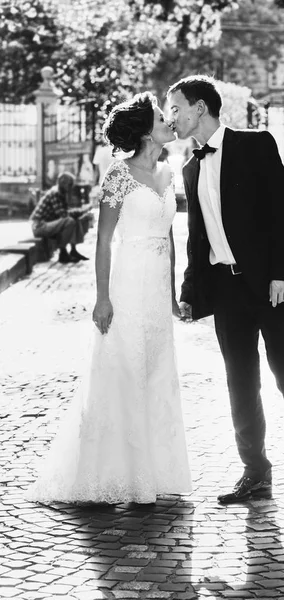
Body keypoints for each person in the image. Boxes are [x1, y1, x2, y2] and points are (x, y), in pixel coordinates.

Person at [167, 75, 284, 507]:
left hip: (271, 286)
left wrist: (281, 272)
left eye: (176, 108)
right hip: (226, 291)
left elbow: (282, 209)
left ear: (199, 107)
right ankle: (255, 473)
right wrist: (190, 291)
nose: (171, 119)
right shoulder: (190, 167)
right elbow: (197, 239)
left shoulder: (257, 144)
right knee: (241, 383)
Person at [26, 92, 192, 505]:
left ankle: (153, 473)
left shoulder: (170, 174)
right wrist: (102, 298)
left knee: (155, 372)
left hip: (156, 291)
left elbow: (169, 240)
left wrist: (172, 298)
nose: (169, 121)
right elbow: (103, 243)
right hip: (128, 283)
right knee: (122, 371)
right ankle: (118, 474)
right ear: (144, 131)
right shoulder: (118, 175)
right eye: (160, 116)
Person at [30, 172, 91, 264]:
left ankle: (73, 251)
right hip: (39, 226)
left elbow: (65, 212)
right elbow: (63, 214)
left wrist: (79, 212)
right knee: (70, 221)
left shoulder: (61, 193)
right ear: (63, 183)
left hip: (48, 223)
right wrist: (82, 210)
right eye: (70, 184)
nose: (71, 187)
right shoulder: (55, 193)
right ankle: (63, 252)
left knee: (75, 219)